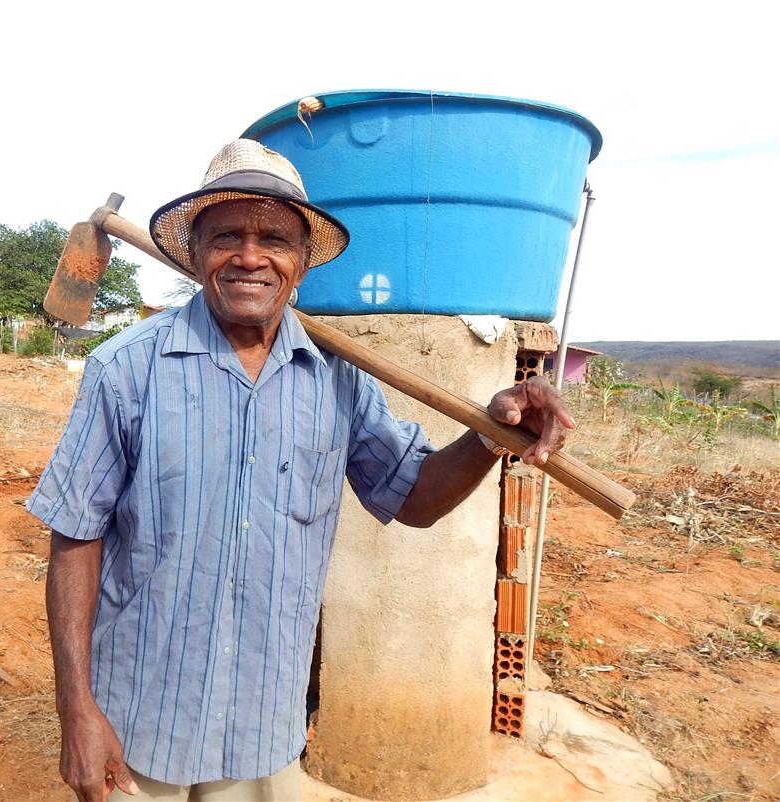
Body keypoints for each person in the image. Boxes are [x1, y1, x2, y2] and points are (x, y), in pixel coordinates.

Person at [28, 139, 574, 802]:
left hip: (261, 723)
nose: (250, 256)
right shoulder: (126, 369)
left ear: (301, 265)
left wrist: (489, 438)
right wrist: (77, 711)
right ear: (195, 255)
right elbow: (74, 537)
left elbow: (415, 497)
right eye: (227, 235)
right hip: (140, 719)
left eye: (274, 240)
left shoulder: (338, 376)